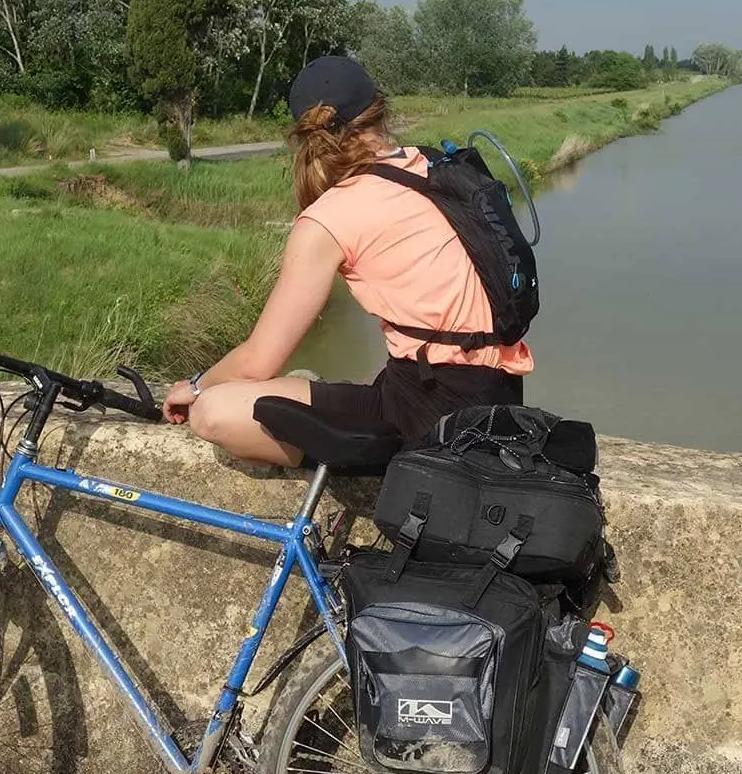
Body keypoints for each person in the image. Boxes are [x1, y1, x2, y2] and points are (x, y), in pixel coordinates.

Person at [162, 56, 532, 467]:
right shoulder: (432, 165)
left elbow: (257, 361)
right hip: (496, 392)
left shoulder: (333, 215)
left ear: (306, 136)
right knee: (329, 387)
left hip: (429, 413)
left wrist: (196, 387)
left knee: (214, 411)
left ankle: (367, 472)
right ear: (381, 108)